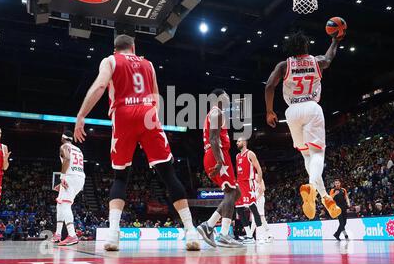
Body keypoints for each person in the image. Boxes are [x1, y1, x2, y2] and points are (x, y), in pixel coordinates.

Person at [74, 34, 199, 251]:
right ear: (133, 47)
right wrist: (151, 124)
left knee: (121, 176)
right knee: (168, 175)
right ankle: (191, 231)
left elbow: (100, 85)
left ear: (115, 49)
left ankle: (113, 235)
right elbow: (157, 97)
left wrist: (81, 115)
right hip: (148, 112)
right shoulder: (148, 63)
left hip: (123, 115)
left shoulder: (110, 60)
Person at [265, 30, 344, 221]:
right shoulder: (317, 61)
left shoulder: (284, 65)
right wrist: (335, 41)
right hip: (311, 107)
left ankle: (325, 197)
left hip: (292, 112)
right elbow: (329, 58)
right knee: (317, 154)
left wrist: (269, 111)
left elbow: (269, 86)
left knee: (307, 155)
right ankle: (312, 188)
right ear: (306, 46)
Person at [197, 89, 243, 248]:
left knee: (236, 192)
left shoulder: (216, 114)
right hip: (218, 154)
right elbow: (213, 138)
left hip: (218, 154)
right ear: (218, 98)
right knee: (231, 192)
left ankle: (208, 226)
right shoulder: (216, 113)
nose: (228, 98)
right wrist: (218, 161)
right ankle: (223, 234)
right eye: (226, 95)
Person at [51, 131, 85, 246]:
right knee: (60, 204)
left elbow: (67, 158)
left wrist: (62, 177)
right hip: (80, 179)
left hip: (70, 177)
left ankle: (72, 235)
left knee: (65, 205)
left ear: (63, 138)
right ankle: (58, 234)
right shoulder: (78, 149)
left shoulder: (64, 146)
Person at [234, 138, 267, 244]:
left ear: (244, 142)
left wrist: (260, 183)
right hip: (239, 184)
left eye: (239, 141)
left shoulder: (250, 154)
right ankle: (249, 235)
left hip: (248, 183)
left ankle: (260, 235)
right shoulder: (237, 156)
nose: (237, 143)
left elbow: (259, 168)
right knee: (239, 209)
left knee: (253, 208)